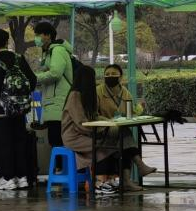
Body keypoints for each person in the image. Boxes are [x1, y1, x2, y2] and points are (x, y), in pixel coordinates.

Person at [61, 65, 142, 193]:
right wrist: (101, 130)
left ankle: (118, 179)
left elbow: (93, 116)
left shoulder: (87, 94)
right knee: (105, 145)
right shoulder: (75, 96)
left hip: (86, 132)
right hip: (74, 136)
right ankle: (101, 181)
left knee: (120, 136)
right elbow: (81, 123)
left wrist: (107, 122)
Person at [0, 29, 38, 191]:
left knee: (3, 143)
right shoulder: (19, 59)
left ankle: (7, 177)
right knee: (19, 141)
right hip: (19, 110)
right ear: (7, 41)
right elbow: (32, 80)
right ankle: (22, 177)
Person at [34, 21, 74, 151]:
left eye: (38, 34)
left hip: (59, 102)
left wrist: (35, 77)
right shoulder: (49, 52)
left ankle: (61, 164)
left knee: (58, 141)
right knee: (55, 141)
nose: (36, 38)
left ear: (48, 35)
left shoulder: (57, 50)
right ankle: (60, 164)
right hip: (53, 102)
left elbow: (55, 73)